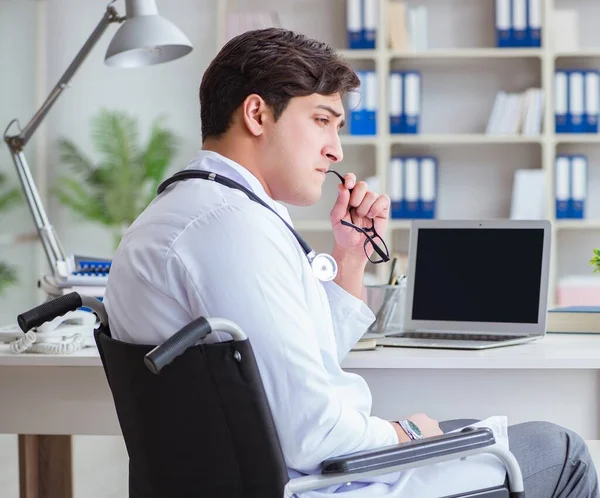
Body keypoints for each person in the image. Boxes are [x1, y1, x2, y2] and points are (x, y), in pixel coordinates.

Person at [103, 27, 599, 497]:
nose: (335, 150)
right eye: (321, 120)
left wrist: (350, 258)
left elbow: (294, 365)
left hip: (275, 473)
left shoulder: (190, 209)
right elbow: (313, 433)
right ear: (256, 114)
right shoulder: (230, 228)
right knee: (562, 451)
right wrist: (404, 433)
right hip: (319, 481)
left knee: (463, 429)